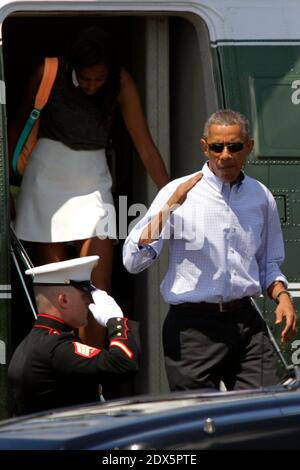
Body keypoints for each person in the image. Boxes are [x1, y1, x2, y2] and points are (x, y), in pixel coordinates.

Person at [8, 26, 169, 347]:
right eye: (86, 78)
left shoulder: (120, 81)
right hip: (45, 178)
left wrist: (174, 196)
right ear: (73, 67)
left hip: (93, 178)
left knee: (98, 287)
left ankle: (92, 371)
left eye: (100, 78)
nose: (93, 85)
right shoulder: (48, 71)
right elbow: (16, 128)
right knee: (57, 294)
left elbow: (146, 147)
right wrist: (5, 189)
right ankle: (59, 368)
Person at [123, 109, 297, 392]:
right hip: (193, 329)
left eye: (234, 146)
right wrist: (168, 209)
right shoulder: (177, 191)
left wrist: (282, 296)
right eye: (217, 147)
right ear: (205, 147)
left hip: (246, 324)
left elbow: (268, 264)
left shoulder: (261, 196)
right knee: (199, 422)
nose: (225, 155)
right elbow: (133, 260)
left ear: (248, 147)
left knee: (261, 413)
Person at [8, 255, 140, 415]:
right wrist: (116, 321)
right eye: (85, 296)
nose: (89, 302)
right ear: (63, 300)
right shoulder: (56, 348)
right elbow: (123, 363)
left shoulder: (31, 344)